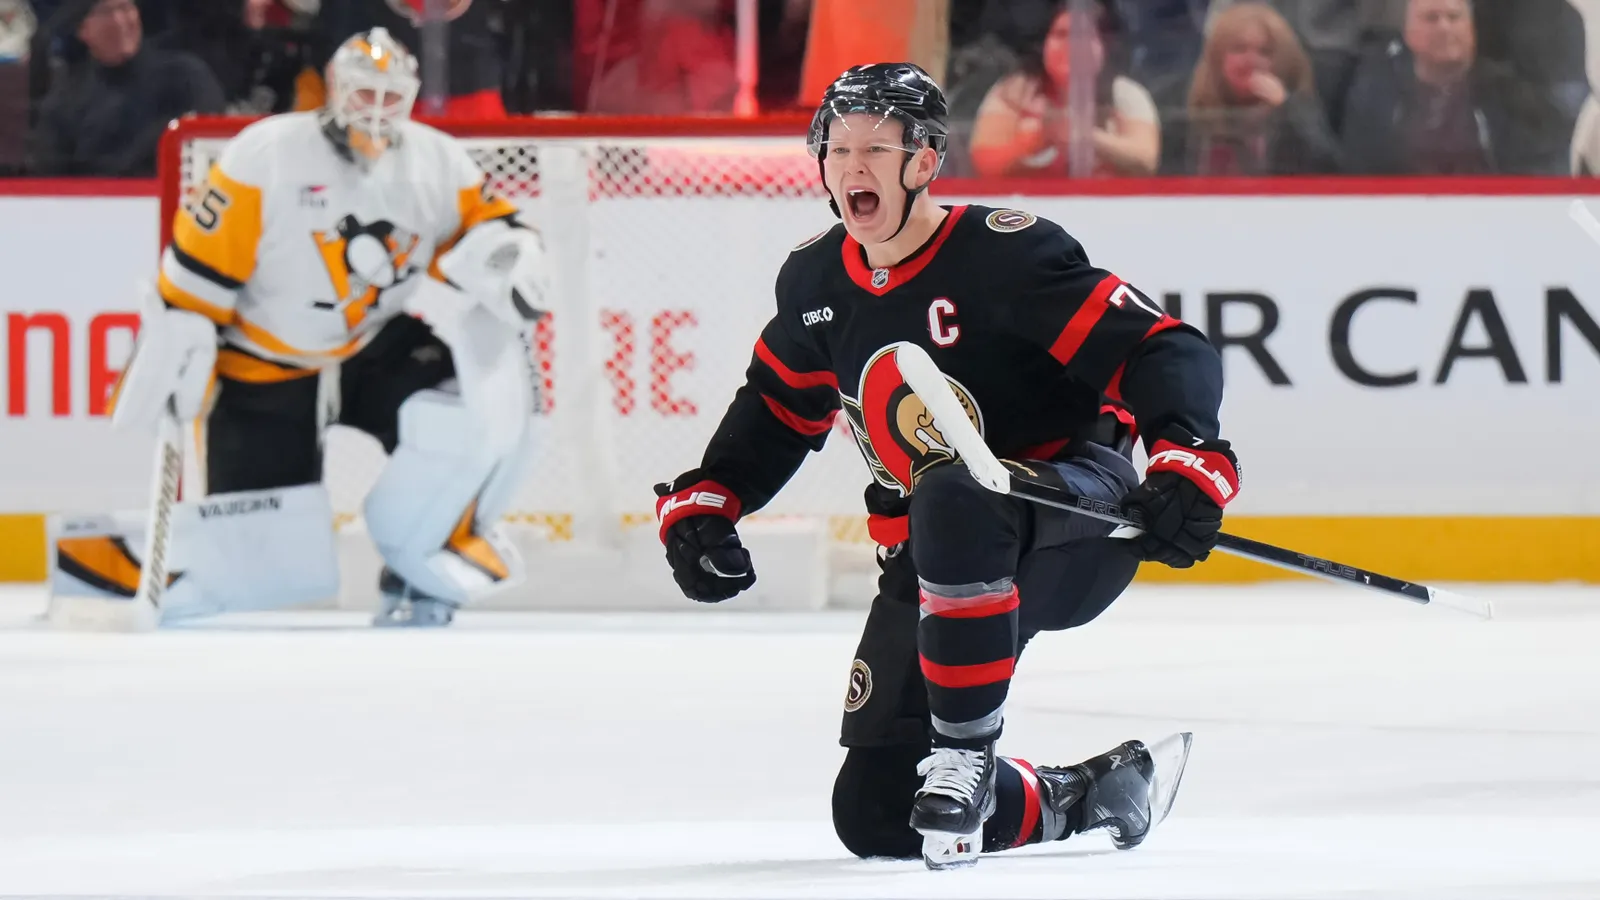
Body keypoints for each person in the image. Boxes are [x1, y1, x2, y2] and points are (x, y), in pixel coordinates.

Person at [652, 63, 1233, 869]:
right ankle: (1087, 795)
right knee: (878, 812)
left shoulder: (1005, 257)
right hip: (939, 553)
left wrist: (1188, 458)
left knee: (957, 486)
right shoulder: (817, 280)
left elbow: (1164, 348)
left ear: (924, 161)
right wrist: (710, 501)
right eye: (837, 147)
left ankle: (966, 753)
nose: (852, 168)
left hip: (1072, 518)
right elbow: (778, 407)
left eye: (875, 149)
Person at [49, 28, 545, 627]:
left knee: (464, 408)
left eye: (392, 95)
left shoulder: (437, 161)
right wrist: (184, 330)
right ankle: (94, 568)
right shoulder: (266, 154)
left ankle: (420, 556)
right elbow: (197, 271)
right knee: (269, 561)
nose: (377, 109)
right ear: (334, 88)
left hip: (370, 346)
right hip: (263, 360)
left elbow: (486, 227)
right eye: (365, 92)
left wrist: (511, 250)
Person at [28, 0, 224, 176]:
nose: (119, 21)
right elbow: (49, 170)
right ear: (83, 30)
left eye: (125, 8)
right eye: (105, 12)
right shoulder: (66, 100)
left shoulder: (185, 76)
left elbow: (210, 135)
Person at [968, 0, 1161, 177]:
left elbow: (1146, 161)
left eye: (1084, 36)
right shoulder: (1013, 91)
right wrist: (1037, 138)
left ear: (1103, 46)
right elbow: (984, 163)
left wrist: (1087, 136)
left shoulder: (1125, 93)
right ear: (1043, 44)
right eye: (1061, 35)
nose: (1072, 46)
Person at [1173, 1, 1341, 175]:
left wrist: (1288, 112)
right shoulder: (1186, 106)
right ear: (1217, 57)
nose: (1251, 61)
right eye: (1239, 49)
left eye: (1265, 52)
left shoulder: (1300, 109)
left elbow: (1329, 171)